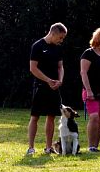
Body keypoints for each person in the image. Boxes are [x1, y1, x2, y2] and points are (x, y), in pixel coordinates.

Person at [26, 23, 68, 155]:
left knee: (51, 116)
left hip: (54, 87)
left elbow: (60, 67)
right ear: (53, 33)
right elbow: (33, 68)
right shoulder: (37, 46)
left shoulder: (58, 48)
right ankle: (31, 147)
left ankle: (48, 148)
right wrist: (48, 80)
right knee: (35, 116)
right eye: (60, 37)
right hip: (40, 86)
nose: (61, 40)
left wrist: (60, 81)